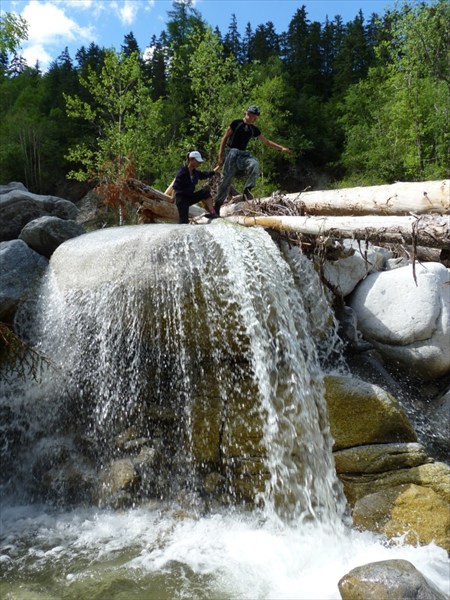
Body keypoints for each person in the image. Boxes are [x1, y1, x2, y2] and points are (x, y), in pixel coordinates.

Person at [214, 105, 292, 214]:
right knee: (225, 181)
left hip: (242, 155)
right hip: (231, 152)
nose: (255, 119)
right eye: (254, 117)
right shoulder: (236, 123)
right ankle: (216, 207)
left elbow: (266, 142)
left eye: (256, 117)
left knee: (254, 164)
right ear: (248, 114)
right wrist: (220, 155)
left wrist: (281, 148)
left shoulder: (253, 129)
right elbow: (225, 137)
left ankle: (247, 190)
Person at [173, 151, 218, 224]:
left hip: (189, 197)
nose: (199, 163)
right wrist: (172, 197)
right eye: (197, 161)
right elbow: (176, 185)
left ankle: (213, 212)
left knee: (205, 191)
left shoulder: (196, 173)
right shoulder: (183, 171)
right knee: (184, 221)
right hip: (181, 199)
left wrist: (218, 166)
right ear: (191, 159)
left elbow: (207, 174)